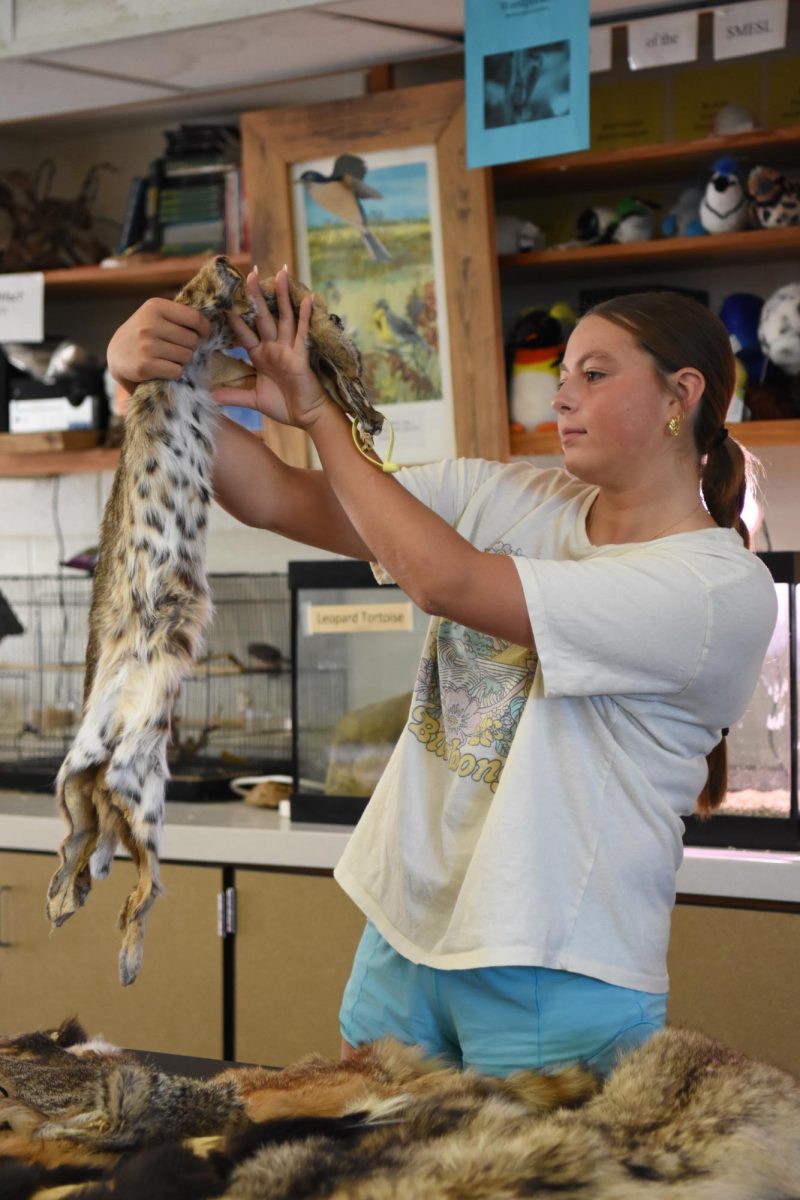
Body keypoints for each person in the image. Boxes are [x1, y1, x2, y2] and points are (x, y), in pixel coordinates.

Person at [107, 274, 777, 1079]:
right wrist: (147, 381)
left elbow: (446, 582)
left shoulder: (714, 589)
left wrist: (321, 415)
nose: (563, 396)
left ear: (683, 395)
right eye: (561, 374)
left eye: (593, 375)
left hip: (554, 965)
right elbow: (277, 497)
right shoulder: (507, 494)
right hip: (406, 928)